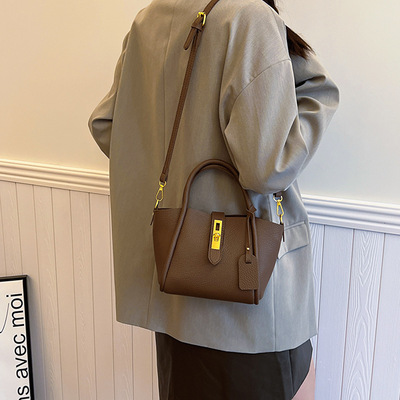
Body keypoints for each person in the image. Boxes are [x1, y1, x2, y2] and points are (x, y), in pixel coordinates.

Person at [88, 0, 339, 398]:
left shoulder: (149, 19)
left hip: (175, 291)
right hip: (245, 306)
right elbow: (268, 167)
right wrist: (317, 98)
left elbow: (107, 126)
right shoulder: (250, 18)